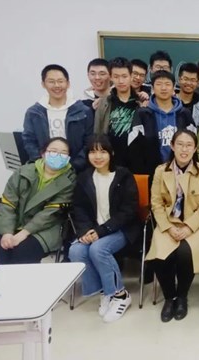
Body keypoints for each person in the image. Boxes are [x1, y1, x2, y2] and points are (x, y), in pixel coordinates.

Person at [69, 135, 139, 322]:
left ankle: (120, 295)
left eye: (102, 151)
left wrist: (101, 231)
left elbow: (129, 210)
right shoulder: (84, 178)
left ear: (111, 153)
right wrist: (84, 231)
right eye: (93, 152)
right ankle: (106, 292)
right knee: (76, 250)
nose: (97, 156)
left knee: (98, 249)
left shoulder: (123, 175)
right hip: (92, 230)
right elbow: (79, 208)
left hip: (120, 229)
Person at [145, 130, 199, 322]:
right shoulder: (161, 171)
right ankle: (170, 297)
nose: (184, 149)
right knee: (160, 255)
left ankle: (182, 296)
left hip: (196, 224)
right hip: (169, 223)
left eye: (189, 145)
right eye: (180, 144)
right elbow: (156, 203)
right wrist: (168, 227)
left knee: (186, 253)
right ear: (172, 146)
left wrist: (188, 228)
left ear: (195, 148)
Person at [0, 138, 76, 264]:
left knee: (23, 252)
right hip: (13, 223)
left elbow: (50, 214)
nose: (58, 156)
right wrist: (6, 232)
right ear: (43, 153)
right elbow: (8, 204)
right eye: (53, 151)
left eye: (63, 153)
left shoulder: (69, 179)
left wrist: (23, 233)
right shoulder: (22, 172)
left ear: (68, 158)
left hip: (44, 229)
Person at [22, 64, 93, 172]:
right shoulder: (34, 113)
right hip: (44, 171)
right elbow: (29, 141)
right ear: (43, 84)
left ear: (68, 83)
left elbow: (89, 141)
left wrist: (74, 166)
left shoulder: (83, 111)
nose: (56, 85)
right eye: (51, 81)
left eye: (60, 81)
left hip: (76, 171)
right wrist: (43, 165)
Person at [127, 70, 196, 176]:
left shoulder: (184, 114)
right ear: (152, 88)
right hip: (150, 173)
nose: (163, 88)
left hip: (181, 173)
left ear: (174, 88)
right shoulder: (142, 114)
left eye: (167, 84)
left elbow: (193, 144)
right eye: (159, 84)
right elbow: (133, 147)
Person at [94, 57, 143, 167]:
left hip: (138, 162)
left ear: (131, 76)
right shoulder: (103, 104)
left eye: (124, 76)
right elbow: (97, 134)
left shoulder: (141, 103)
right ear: (111, 77)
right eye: (116, 76)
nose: (121, 81)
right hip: (111, 163)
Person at [177, 63, 199, 127]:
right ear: (179, 79)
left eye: (193, 80)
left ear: (198, 83)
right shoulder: (170, 101)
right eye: (185, 79)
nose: (189, 83)